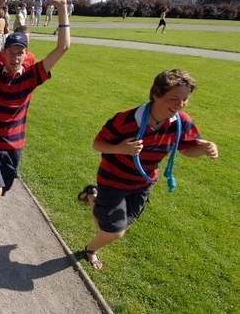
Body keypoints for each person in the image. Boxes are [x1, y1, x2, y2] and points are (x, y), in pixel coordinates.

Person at [77, 69, 218, 270]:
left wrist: (204, 149)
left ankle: (92, 197)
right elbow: (97, 144)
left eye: (185, 99)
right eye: (174, 98)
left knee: (121, 224)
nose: (180, 105)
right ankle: (90, 250)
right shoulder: (126, 120)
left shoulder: (181, 122)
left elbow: (187, 149)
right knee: (115, 231)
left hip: (143, 184)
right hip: (113, 181)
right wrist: (121, 149)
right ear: (156, 94)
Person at [0, 0, 70, 240]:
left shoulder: (32, 77)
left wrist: (63, 9)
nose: (17, 56)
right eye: (12, 51)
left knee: (4, 187)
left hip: (14, 145)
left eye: (21, 52)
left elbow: (63, 48)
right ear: (4, 53)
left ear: (26, 55)